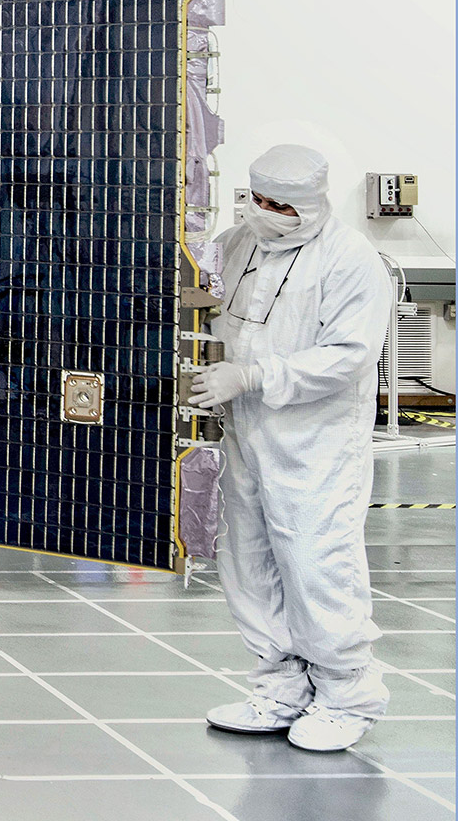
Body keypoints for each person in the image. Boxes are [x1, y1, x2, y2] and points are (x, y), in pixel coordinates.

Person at [189, 144, 393, 752]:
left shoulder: (351, 259)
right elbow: (210, 308)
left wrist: (254, 376)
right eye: (259, 200)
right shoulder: (237, 243)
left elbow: (349, 355)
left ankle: (347, 694)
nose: (269, 212)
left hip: (316, 442)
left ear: (315, 202)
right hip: (244, 434)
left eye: (284, 205)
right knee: (248, 562)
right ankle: (280, 686)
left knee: (316, 564)